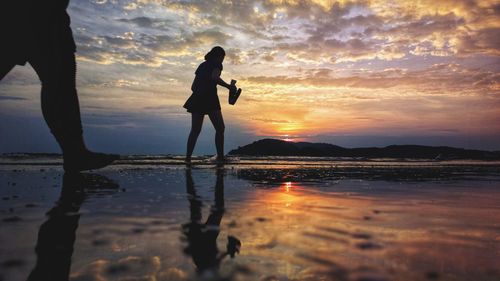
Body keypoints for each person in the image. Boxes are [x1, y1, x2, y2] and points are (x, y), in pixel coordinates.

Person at [0, 1, 118, 172]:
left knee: (59, 81)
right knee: (60, 81)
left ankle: (76, 154)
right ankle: (75, 154)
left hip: (34, 14)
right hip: (37, 15)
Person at [183, 46, 237, 164]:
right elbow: (214, 77)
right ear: (219, 56)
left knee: (195, 130)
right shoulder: (217, 64)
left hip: (196, 98)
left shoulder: (202, 65)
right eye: (223, 58)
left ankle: (187, 158)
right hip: (210, 99)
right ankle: (221, 157)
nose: (223, 61)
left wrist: (200, 93)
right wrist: (228, 86)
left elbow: (193, 87)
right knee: (220, 128)